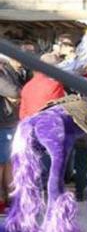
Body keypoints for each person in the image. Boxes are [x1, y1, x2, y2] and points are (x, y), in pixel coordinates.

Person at [0, 54, 22, 214]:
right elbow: (14, 92)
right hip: (3, 124)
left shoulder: (7, 72)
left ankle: (10, 199)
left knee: (8, 163)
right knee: (2, 164)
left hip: (7, 123)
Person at [18, 54, 66, 121]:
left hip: (33, 126)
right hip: (51, 125)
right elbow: (62, 109)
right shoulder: (54, 85)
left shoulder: (27, 87)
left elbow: (22, 115)